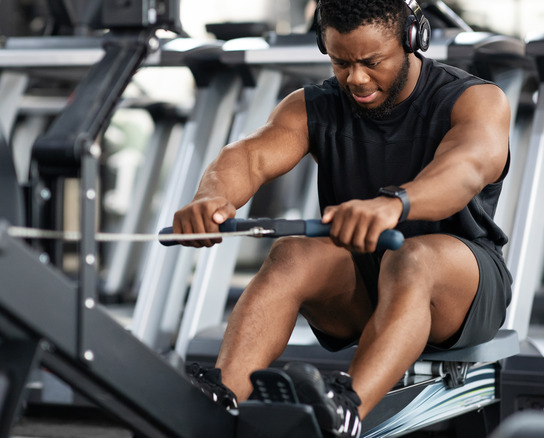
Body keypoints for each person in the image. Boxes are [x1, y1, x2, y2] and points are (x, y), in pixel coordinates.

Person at [174, 0, 512, 436]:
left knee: (413, 258)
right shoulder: (312, 106)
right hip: (366, 283)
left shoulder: (476, 100)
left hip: (457, 287)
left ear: (413, 41)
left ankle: (345, 411)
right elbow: (251, 155)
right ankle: (221, 401)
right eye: (340, 62)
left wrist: (394, 204)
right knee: (291, 254)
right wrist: (212, 199)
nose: (356, 78)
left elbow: (464, 169)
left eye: (372, 62)